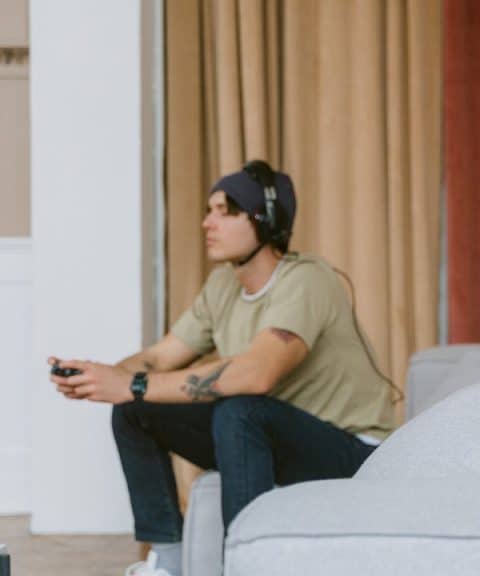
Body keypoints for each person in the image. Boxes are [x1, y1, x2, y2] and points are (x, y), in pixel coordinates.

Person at [49, 161, 396, 576]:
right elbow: (161, 358)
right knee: (134, 409)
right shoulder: (222, 287)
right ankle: (167, 564)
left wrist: (132, 383)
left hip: (354, 451)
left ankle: (244, 565)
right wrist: (100, 374)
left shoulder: (308, 280)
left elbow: (257, 374)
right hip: (277, 437)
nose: (206, 222)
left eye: (224, 211)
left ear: (263, 220)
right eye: (209, 210)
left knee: (239, 407)